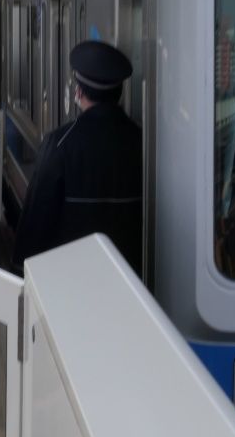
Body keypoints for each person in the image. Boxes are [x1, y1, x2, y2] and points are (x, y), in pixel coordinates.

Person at [12, 40, 144, 275]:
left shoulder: (60, 143)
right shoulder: (140, 141)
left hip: (71, 277)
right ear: (119, 92)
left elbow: (36, 218)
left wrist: (20, 268)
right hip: (131, 279)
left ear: (79, 91)